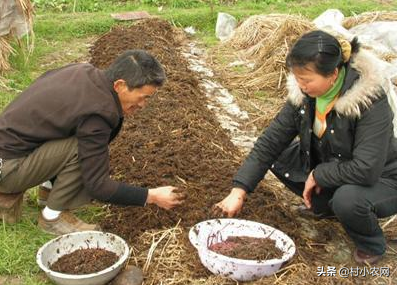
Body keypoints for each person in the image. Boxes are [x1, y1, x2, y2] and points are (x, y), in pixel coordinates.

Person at [215, 30, 397, 265]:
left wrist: (319, 174)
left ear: (333, 74)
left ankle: (371, 243)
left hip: (381, 179)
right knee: (278, 153)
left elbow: (367, 168)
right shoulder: (304, 96)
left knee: (348, 200)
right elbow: (270, 142)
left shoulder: (368, 100)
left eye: (307, 79)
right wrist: (238, 191)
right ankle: (324, 207)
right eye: (297, 78)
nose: (301, 85)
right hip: (336, 167)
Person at [0, 49, 185, 235]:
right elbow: (97, 185)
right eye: (143, 97)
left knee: (77, 140)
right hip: (7, 170)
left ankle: (49, 193)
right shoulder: (99, 112)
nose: (143, 105)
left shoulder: (83, 72)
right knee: (80, 150)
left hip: (11, 149)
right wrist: (151, 196)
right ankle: (52, 218)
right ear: (120, 85)